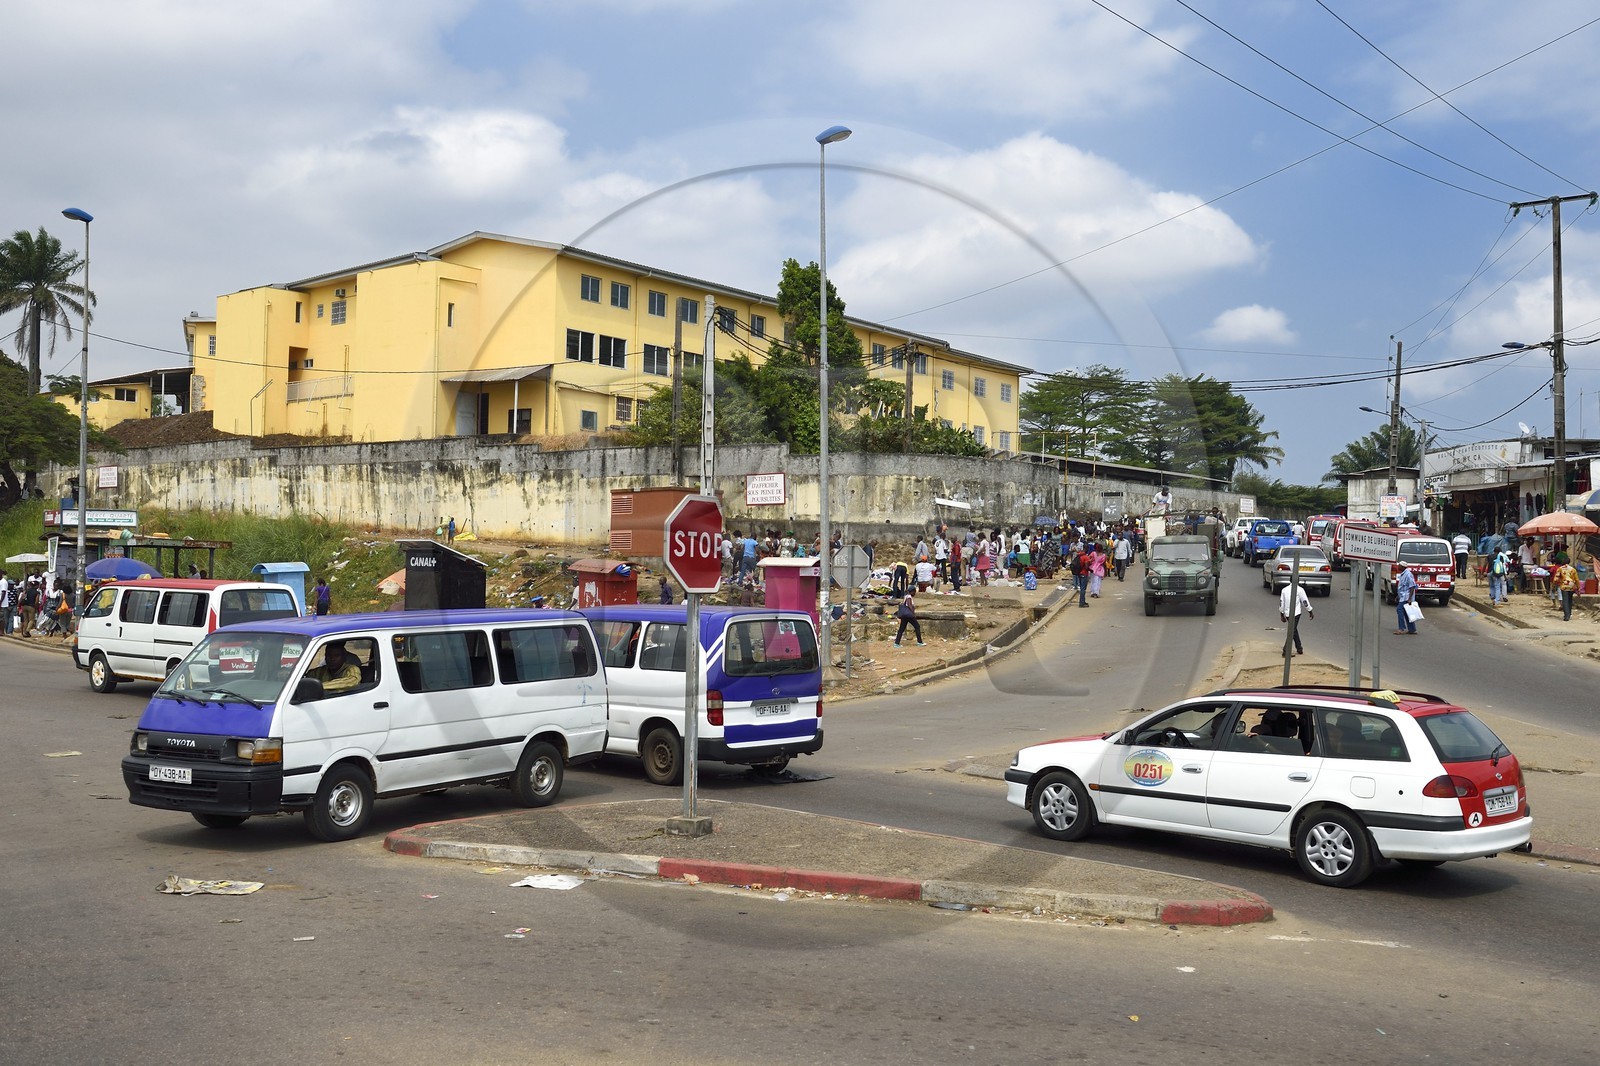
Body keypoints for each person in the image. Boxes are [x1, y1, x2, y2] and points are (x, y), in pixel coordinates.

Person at [1280, 579, 1313, 655]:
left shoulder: (1284, 590)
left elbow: (1281, 602)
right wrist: (1310, 611)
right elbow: (1305, 601)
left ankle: (1299, 648)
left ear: (1290, 580)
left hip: (1287, 613)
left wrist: (1281, 614)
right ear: (1298, 581)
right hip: (1296, 614)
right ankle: (1286, 650)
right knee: (1292, 631)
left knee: (1294, 630)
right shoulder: (1300, 590)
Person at [1394, 564, 1420, 635]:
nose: (1398, 567)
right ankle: (1412, 629)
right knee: (1406, 612)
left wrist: (1409, 599)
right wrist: (1398, 596)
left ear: (1402, 567)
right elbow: (1402, 587)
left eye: (1399, 566)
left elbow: (1412, 586)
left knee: (1399, 610)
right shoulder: (1403, 574)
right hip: (1403, 596)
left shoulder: (1408, 575)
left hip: (1406, 597)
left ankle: (1401, 628)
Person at [1553, 556, 1580, 621]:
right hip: (1571, 585)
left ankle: (1566, 616)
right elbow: (1576, 579)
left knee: (1565, 600)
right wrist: (1578, 587)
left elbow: (1556, 579)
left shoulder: (1560, 569)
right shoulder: (1573, 569)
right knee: (1570, 600)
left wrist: (1555, 584)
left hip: (1564, 586)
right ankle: (1569, 614)